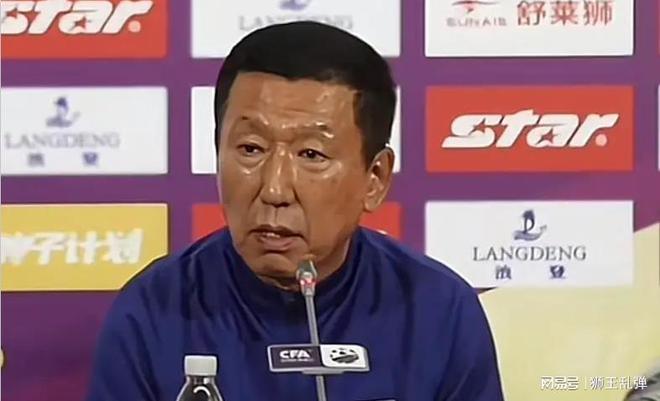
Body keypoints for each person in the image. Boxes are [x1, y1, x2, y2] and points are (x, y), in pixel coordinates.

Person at [86, 21, 504, 401]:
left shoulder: (438, 311)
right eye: (250, 148)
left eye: (311, 154)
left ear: (374, 178)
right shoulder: (153, 309)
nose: (274, 189)